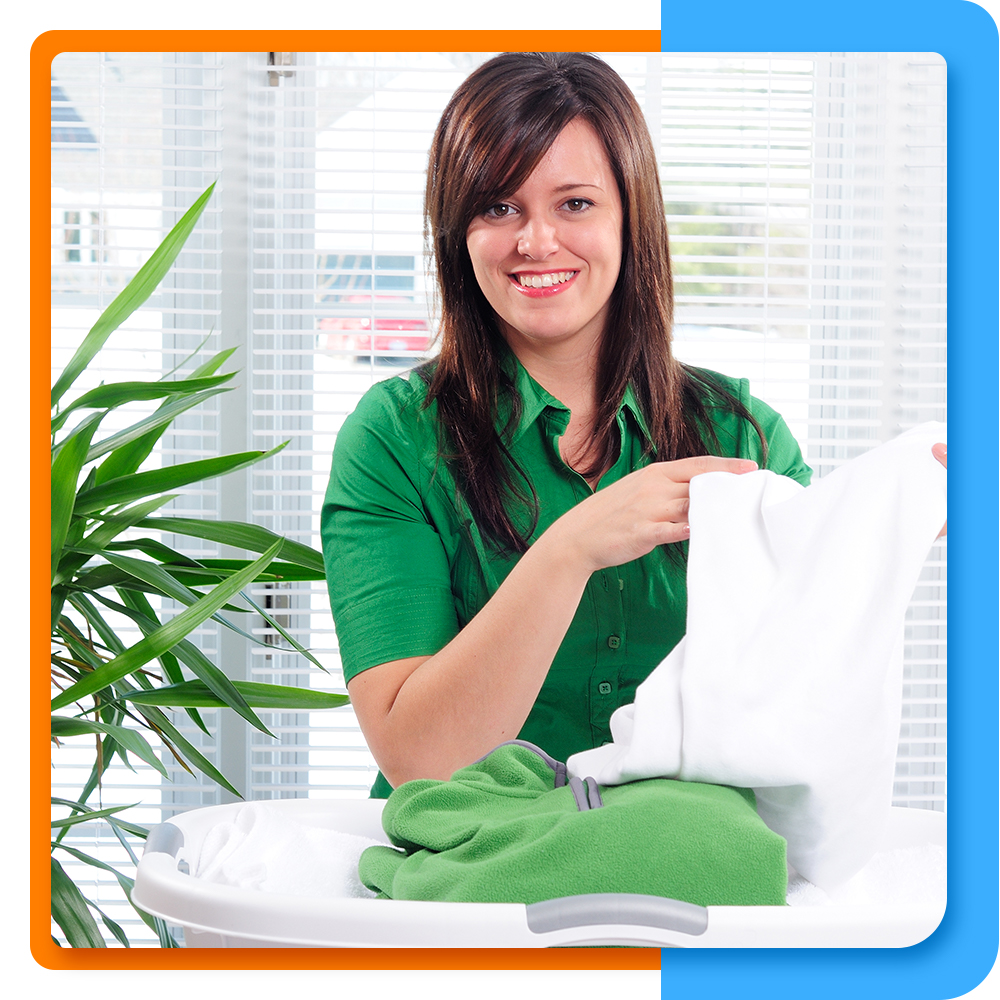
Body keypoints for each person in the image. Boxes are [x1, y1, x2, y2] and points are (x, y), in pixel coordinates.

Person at [320, 52, 937, 800]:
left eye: (575, 203)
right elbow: (420, 760)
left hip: (689, 881)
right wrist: (572, 549)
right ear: (458, 231)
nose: (536, 241)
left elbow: (799, 688)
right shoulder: (394, 440)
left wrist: (889, 516)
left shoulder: (741, 438)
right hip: (465, 879)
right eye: (498, 207)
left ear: (629, 215)